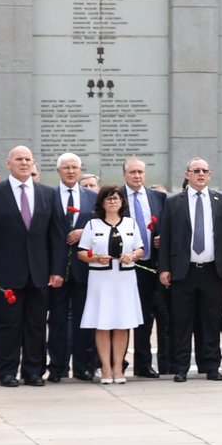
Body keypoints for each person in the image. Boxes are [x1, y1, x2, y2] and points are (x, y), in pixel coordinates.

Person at [0, 145, 65, 386]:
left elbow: (56, 236)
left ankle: (33, 371)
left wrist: (57, 270)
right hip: (6, 273)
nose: (24, 163)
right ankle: (6, 371)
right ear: (8, 163)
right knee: (7, 325)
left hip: (39, 273)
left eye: (27, 159)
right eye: (19, 159)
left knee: (36, 325)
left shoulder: (47, 193)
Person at [158, 159, 222, 381]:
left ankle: (211, 366)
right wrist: (164, 268)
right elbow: (166, 240)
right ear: (188, 174)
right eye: (196, 171)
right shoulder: (174, 203)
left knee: (211, 321)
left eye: (205, 171)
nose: (201, 174)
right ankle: (181, 366)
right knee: (182, 322)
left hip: (213, 271)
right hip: (184, 271)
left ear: (209, 175)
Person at [78, 184, 145, 384]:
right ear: (102, 203)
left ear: (122, 202)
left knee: (122, 324)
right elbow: (83, 252)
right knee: (103, 323)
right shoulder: (92, 225)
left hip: (125, 279)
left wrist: (132, 255)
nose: (113, 202)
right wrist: (96, 258)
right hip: (101, 280)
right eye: (109, 199)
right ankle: (105, 368)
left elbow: (140, 249)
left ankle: (118, 368)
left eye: (116, 198)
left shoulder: (130, 224)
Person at [47, 152, 96, 382]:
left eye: (74, 167)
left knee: (82, 320)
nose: (70, 171)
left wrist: (83, 232)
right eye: (66, 167)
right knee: (56, 321)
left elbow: (100, 229)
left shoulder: (91, 197)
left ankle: (82, 366)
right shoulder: (48, 196)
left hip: (83, 268)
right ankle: (57, 367)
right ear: (58, 171)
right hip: (56, 270)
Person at [119, 159, 169, 377]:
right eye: (132, 172)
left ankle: (143, 364)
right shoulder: (115, 197)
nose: (137, 176)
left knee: (146, 318)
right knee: (121, 317)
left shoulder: (158, 197)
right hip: (124, 266)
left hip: (150, 265)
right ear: (124, 175)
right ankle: (116, 362)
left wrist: (162, 239)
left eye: (140, 172)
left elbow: (168, 226)